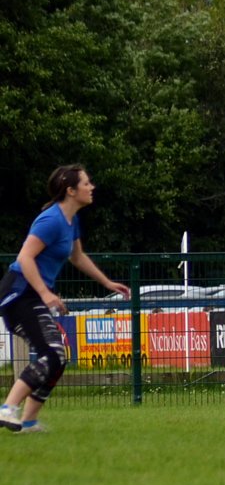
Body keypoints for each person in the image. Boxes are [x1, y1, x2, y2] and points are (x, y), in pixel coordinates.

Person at [0, 164, 130, 433]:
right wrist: (45, 293)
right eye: (86, 183)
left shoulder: (72, 221)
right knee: (52, 353)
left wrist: (106, 282)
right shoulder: (50, 220)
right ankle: (7, 408)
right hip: (19, 294)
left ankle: (29, 422)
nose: (92, 187)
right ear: (71, 190)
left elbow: (77, 257)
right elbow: (24, 257)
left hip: (32, 294)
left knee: (58, 359)